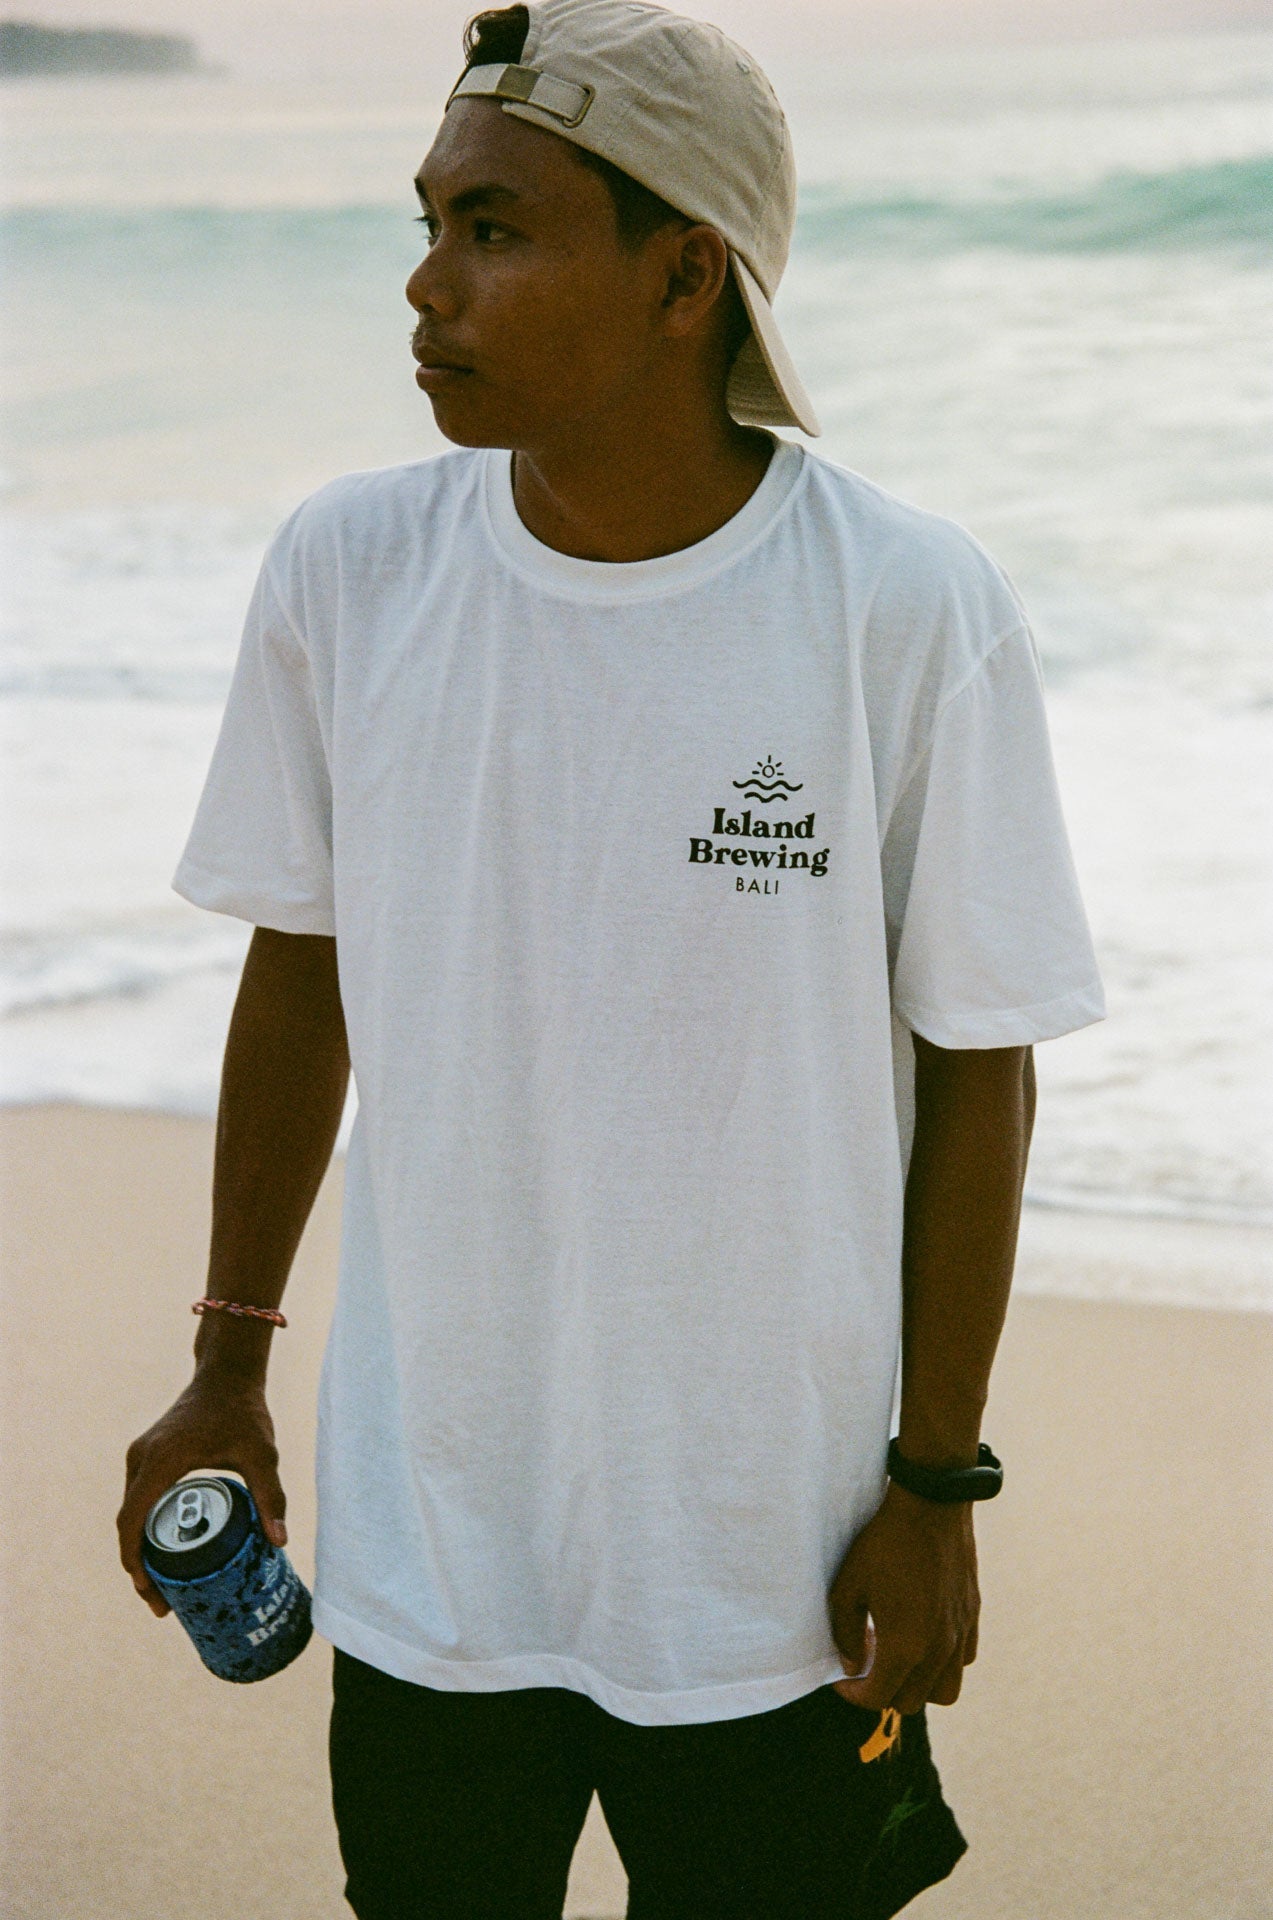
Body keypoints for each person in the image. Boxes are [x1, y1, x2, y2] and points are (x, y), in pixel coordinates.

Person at [117, 2, 1105, 1914]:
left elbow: (975, 1067)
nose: (424, 285)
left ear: (683, 278)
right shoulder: (351, 573)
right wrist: (227, 1367)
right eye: (425, 223)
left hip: (771, 1568)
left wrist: (935, 1486)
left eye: (495, 230)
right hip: (436, 1554)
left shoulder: (898, 608)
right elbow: (298, 976)